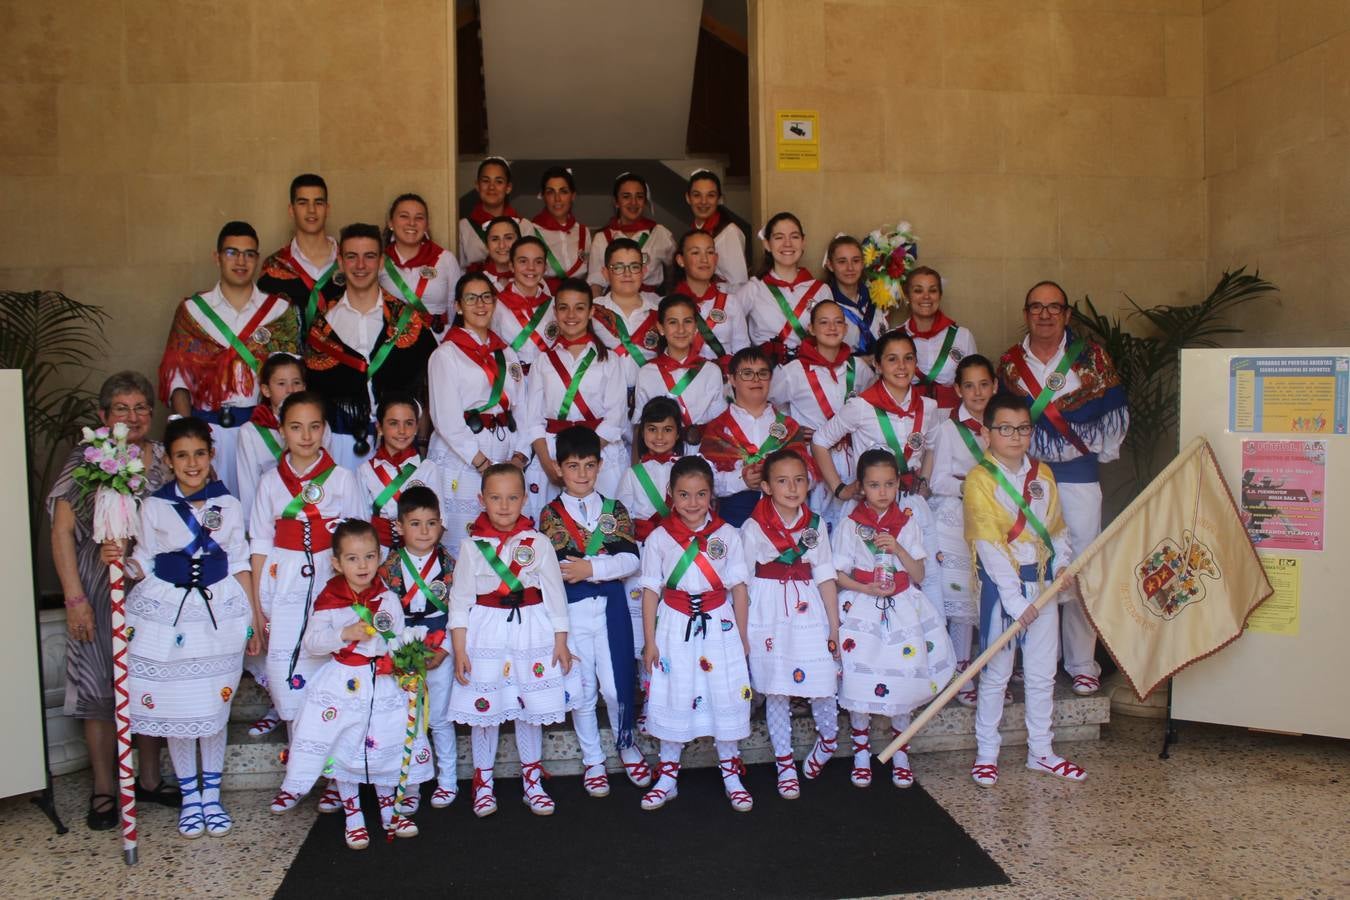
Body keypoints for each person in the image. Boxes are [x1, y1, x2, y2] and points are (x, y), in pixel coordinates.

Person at [49, 372, 179, 830]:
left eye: (142, 407)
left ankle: (146, 779)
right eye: (122, 409)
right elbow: (62, 531)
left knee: (147, 682)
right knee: (99, 688)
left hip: (154, 589)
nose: (133, 417)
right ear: (104, 417)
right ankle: (105, 788)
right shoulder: (86, 460)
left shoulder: (166, 458)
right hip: (98, 589)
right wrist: (74, 598)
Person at [114, 417, 253, 838]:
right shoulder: (155, 505)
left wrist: (253, 619)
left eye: (199, 454)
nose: (192, 463)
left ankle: (212, 795)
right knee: (179, 710)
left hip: (218, 612)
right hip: (168, 610)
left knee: (212, 709)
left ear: (211, 457)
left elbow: (240, 558)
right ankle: (190, 796)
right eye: (182, 455)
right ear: (169, 461)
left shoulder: (227, 504)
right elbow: (147, 558)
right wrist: (121, 563)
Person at [997, 281, 1128, 696]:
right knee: (1027, 567)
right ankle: (1038, 659)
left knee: (1080, 568)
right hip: (1026, 477)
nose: (1045, 315)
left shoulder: (1091, 359)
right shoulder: (1011, 365)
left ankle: (1082, 662)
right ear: (1025, 313)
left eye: (1054, 308)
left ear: (1067, 314)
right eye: (1036, 307)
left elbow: (1111, 413)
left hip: (1077, 477)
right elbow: (1000, 421)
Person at [277, 519, 432, 848]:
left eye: (370, 557)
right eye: (352, 558)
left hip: (383, 681)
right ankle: (354, 815)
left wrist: (408, 670)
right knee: (345, 745)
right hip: (343, 681)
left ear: (379, 557)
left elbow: (398, 641)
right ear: (336, 563)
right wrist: (344, 633)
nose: (362, 566)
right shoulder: (329, 599)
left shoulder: (387, 600)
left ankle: (389, 810)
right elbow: (312, 643)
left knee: (385, 744)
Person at [249, 392, 366, 815]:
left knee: (329, 683)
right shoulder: (269, 482)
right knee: (284, 678)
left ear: (325, 431)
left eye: (314, 426)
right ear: (281, 431)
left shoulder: (342, 480)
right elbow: (260, 544)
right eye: (295, 427)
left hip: (328, 584)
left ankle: (336, 777)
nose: (305, 435)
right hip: (282, 588)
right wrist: (258, 604)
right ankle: (298, 774)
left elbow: (357, 539)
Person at [966, 394, 1085, 786]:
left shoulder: (1043, 474)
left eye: (1022, 428)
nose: (1015, 436)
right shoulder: (980, 480)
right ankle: (986, 752)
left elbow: (1056, 529)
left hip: (1044, 585)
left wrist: (1063, 563)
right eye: (1005, 428)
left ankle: (1042, 751)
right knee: (997, 674)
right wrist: (1016, 601)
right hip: (1003, 593)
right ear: (987, 433)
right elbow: (987, 543)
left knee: (1041, 673)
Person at [448, 464, 576, 817]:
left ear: (524, 498)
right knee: (484, 711)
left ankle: (532, 781)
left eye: (512, 498)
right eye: (495, 498)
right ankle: (483, 782)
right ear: (481, 499)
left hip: (530, 631)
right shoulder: (472, 546)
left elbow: (555, 596)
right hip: (485, 632)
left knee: (530, 709)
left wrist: (561, 641)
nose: (504, 506)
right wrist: (460, 649)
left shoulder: (539, 543)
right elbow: (459, 603)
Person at [832, 448, 955, 789]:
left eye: (888, 484)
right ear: (862, 487)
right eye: (874, 485)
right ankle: (860, 750)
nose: (882, 492)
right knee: (860, 674)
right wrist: (864, 587)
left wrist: (899, 548)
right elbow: (837, 573)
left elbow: (918, 572)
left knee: (903, 675)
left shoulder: (907, 522)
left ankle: (900, 749)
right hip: (862, 604)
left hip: (902, 605)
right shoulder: (849, 524)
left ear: (898, 484)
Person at [538, 426, 651, 796]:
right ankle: (592, 760)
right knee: (582, 689)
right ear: (558, 468)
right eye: (573, 466)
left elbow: (630, 559)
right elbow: (557, 568)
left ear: (601, 465)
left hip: (611, 608)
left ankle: (626, 743)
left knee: (617, 685)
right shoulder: (550, 515)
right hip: (572, 613)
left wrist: (590, 568)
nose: (582, 474)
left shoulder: (613, 509)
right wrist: (600, 562)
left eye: (589, 465)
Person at [638, 456, 753, 812]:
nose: (692, 503)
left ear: (711, 495)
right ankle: (668, 774)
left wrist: (743, 636)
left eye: (700, 494)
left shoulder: (728, 535)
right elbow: (650, 591)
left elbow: (740, 589)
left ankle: (731, 772)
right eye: (684, 495)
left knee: (724, 691)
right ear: (670, 494)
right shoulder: (659, 538)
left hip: (719, 623)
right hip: (674, 622)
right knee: (675, 690)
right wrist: (650, 640)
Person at [157, 220, 301, 495]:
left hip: (263, 431)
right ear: (217, 257)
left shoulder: (279, 310)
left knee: (264, 513)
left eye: (249, 254)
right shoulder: (192, 312)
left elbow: (290, 381)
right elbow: (178, 380)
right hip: (209, 429)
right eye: (232, 252)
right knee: (212, 514)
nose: (241, 261)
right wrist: (190, 438)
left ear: (257, 259)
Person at [810, 330, 946, 620]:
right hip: (868, 508)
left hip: (910, 504)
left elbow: (931, 447)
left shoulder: (929, 407)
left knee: (927, 575)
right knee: (870, 574)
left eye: (908, 359)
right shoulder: (861, 406)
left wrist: (924, 481)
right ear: (878, 365)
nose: (901, 366)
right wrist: (839, 489)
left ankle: (931, 652)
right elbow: (820, 440)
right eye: (892, 359)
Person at [739, 450, 840, 799]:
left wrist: (834, 624)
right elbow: (743, 581)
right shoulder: (752, 527)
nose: (792, 487)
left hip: (808, 605)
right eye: (782, 481)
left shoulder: (816, 525)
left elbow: (825, 574)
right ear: (766, 486)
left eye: (799, 479)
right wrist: (744, 628)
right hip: (767, 612)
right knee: (777, 686)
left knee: (823, 679)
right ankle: (784, 763)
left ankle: (828, 739)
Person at [303, 222, 437, 470]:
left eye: (369, 256)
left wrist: (422, 440)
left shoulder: (409, 321)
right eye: (352, 257)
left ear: (382, 261)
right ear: (340, 262)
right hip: (339, 448)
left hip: (399, 445)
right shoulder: (322, 328)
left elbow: (431, 386)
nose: (361, 265)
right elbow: (312, 395)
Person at [237, 353, 315, 737]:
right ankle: (277, 703)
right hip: (275, 545)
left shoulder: (317, 428)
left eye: (296, 383)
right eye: (281, 384)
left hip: (313, 553)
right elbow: (253, 494)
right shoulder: (251, 433)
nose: (289, 390)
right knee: (279, 634)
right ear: (265, 390)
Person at [426, 273, 531, 545]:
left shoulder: (506, 353)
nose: (480, 304)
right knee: (466, 534)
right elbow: (445, 420)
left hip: (505, 449)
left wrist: (519, 457)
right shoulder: (445, 355)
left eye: (486, 297)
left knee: (506, 533)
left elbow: (522, 409)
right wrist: (482, 463)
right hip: (465, 455)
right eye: (471, 298)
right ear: (459, 306)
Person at [376, 486, 458, 809]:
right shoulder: (389, 566)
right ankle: (411, 785)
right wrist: (397, 651)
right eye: (415, 523)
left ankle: (448, 779)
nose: (424, 531)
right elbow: (382, 612)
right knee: (408, 716)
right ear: (399, 526)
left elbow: (461, 610)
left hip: (440, 643)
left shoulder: (450, 564)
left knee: (439, 716)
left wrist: (447, 648)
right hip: (404, 644)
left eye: (431, 523)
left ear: (441, 524)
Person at [770, 300, 876, 527]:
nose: (832, 328)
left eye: (839, 322)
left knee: (854, 523)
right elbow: (772, 406)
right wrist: (793, 430)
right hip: (814, 459)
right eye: (824, 322)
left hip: (853, 455)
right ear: (811, 329)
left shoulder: (860, 369)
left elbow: (871, 410)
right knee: (816, 522)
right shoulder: (793, 372)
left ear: (846, 330)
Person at [928, 354, 996, 706]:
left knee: (992, 592)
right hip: (957, 519)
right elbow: (937, 480)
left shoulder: (1003, 427)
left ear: (995, 386)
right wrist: (971, 487)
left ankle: (995, 669)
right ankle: (960, 673)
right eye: (969, 385)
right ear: (957, 390)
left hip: (996, 520)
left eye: (984, 384)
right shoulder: (947, 430)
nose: (977, 392)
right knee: (962, 598)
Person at [526, 279, 630, 501]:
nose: (571, 315)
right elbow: (533, 419)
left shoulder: (610, 360)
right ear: (555, 312)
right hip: (554, 455)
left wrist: (583, 461)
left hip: (598, 454)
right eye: (564, 308)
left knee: (603, 525)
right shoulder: (542, 361)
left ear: (591, 311)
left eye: (579, 308)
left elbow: (615, 417)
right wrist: (550, 463)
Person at [699, 346, 814, 527]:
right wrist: (741, 479)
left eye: (762, 373)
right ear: (732, 379)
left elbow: (809, 475)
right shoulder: (717, 429)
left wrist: (781, 478)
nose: (756, 379)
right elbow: (704, 482)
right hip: (734, 524)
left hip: (785, 525)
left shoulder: (789, 427)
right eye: (747, 373)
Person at [614, 397, 684, 655]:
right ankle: (645, 679)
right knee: (643, 610)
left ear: (678, 433)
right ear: (642, 433)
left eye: (667, 429)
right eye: (652, 429)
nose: (659, 437)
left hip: (679, 551)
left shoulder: (688, 469)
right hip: (643, 553)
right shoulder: (632, 474)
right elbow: (623, 518)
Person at [632, 293, 727, 445]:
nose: (681, 329)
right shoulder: (647, 373)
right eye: (672, 322)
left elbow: (719, 422)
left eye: (687, 321)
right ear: (660, 328)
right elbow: (639, 424)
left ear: (696, 326)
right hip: (661, 454)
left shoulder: (711, 371)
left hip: (701, 455)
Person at [738, 212, 830, 365]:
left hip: (811, 378)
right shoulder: (754, 288)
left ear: (803, 242)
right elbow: (731, 328)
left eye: (794, 237)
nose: (787, 243)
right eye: (779, 237)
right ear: (767, 244)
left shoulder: (821, 290)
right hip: (768, 379)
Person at [360, 392, 441, 553]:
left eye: (409, 423)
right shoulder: (365, 470)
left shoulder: (428, 468)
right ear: (379, 428)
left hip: (418, 553)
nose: (402, 431)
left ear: (417, 427)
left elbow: (441, 519)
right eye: (393, 423)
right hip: (377, 553)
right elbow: (360, 519)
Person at [259, 173, 342, 328]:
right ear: (291, 210)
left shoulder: (351, 261)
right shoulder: (273, 266)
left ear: (327, 209)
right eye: (303, 203)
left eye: (318, 203)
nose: (311, 210)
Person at [379, 192, 462, 340]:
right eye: (404, 216)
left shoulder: (445, 259)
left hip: (437, 343)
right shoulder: (379, 262)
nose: (412, 223)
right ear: (390, 223)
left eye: (419, 217)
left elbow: (455, 309)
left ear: (426, 225)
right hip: (393, 346)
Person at [591, 238, 663, 400]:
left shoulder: (659, 310)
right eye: (618, 267)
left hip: (650, 398)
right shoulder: (593, 311)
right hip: (604, 398)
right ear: (605, 273)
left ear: (644, 271)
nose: (627, 273)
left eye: (634, 267)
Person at [672, 229, 749, 376]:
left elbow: (742, 352)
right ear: (681, 260)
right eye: (695, 253)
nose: (704, 259)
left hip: (724, 384)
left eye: (710, 252)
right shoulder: (669, 304)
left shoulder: (731, 303)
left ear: (716, 258)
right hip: (683, 384)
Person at [900, 266, 976, 411]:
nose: (926, 296)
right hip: (907, 419)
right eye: (918, 290)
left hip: (952, 420)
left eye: (932, 290)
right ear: (907, 296)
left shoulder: (962, 336)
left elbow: (974, 382)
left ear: (940, 295)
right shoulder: (894, 338)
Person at [587, 172, 675, 294]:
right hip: (614, 307)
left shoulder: (660, 233)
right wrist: (597, 309)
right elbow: (596, 282)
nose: (633, 202)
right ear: (616, 202)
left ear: (644, 201)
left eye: (639, 196)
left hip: (652, 304)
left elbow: (674, 272)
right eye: (626, 196)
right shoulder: (602, 238)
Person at [490, 235, 555, 374]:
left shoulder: (555, 305)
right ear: (511, 266)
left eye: (538, 262)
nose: (531, 268)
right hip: (511, 382)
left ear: (545, 267)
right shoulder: (495, 306)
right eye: (523, 261)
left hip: (547, 382)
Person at [457, 157, 535, 270]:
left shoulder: (523, 226)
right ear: (477, 186)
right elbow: (460, 271)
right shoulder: (464, 227)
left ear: (508, 187)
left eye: (499, 181)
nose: (492, 187)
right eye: (485, 181)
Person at [822, 234, 887, 355]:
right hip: (845, 373)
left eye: (856, 261)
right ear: (830, 265)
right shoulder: (825, 304)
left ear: (863, 263)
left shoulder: (876, 299)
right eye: (842, 262)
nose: (850, 268)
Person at [685, 169, 748, 291]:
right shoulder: (695, 230)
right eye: (697, 195)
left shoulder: (729, 233)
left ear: (719, 199)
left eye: (711, 195)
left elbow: (739, 286)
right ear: (688, 198)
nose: (703, 201)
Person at [531, 166, 590, 293]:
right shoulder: (531, 230)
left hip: (578, 299)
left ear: (573, 195)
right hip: (544, 299)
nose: (557, 199)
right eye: (551, 192)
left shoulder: (584, 231)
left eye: (563, 191)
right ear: (543, 196)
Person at [471, 216, 520, 290]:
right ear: (487, 245)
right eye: (495, 239)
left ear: (519, 242)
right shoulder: (474, 280)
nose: (502, 245)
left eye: (509, 238)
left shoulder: (531, 276)